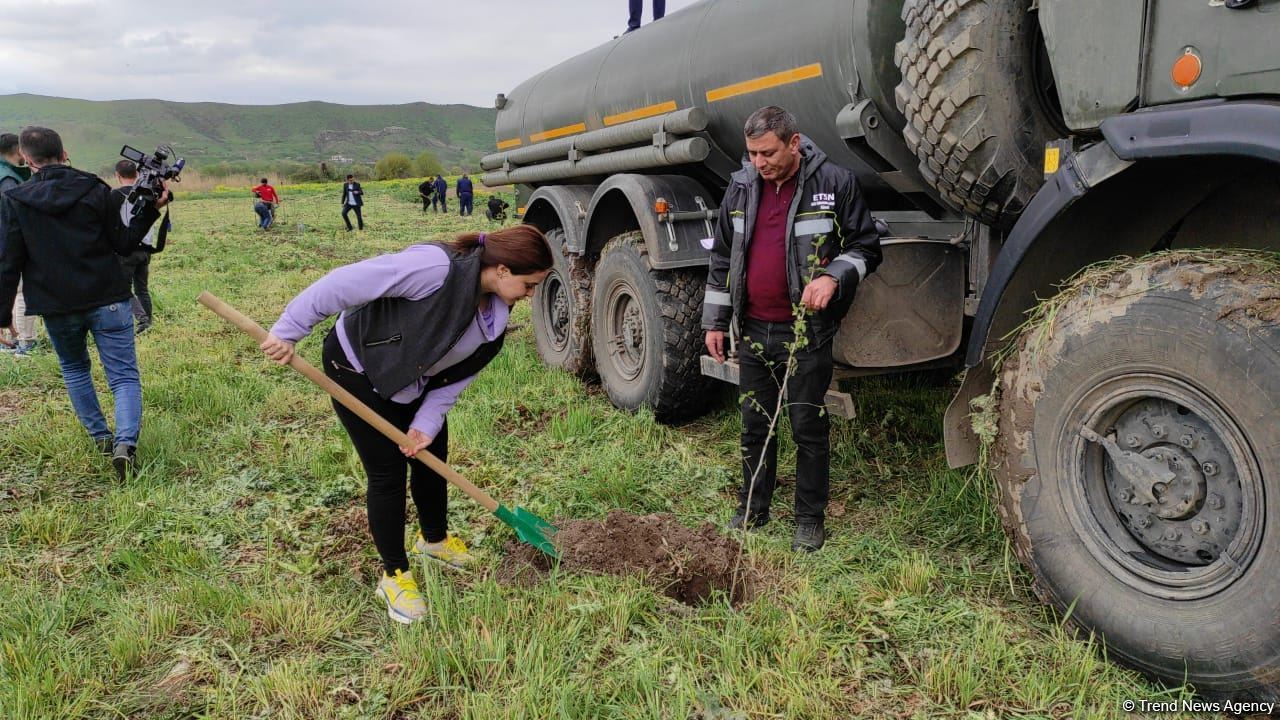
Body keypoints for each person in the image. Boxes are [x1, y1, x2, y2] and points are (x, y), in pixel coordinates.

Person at [260, 225, 553, 624]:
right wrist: (288, 331)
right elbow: (343, 283)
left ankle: (433, 541)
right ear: (502, 269)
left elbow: (453, 381)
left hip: (412, 378)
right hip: (358, 367)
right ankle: (394, 574)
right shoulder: (434, 268)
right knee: (387, 473)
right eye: (529, 284)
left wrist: (426, 424)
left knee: (432, 453)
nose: (531, 295)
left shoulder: (495, 319)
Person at [702, 106, 882, 552]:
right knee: (753, 424)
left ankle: (808, 519)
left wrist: (833, 275)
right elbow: (723, 258)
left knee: (806, 424)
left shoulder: (834, 183)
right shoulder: (742, 187)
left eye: (767, 153)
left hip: (806, 332)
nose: (759, 163)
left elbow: (866, 246)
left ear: (794, 143)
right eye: (752, 154)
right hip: (753, 329)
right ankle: (752, 508)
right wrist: (715, 321)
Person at [0, 126, 168, 478]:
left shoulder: (15, 200)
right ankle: (125, 445)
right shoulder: (95, 188)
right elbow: (123, 243)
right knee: (123, 376)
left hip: (56, 305)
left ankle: (101, 440)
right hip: (107, 297)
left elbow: (8, 261)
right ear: (64, 153)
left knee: (76, 371)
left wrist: (3, 315)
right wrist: (152, 209)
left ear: (27, 160)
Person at [0, 132, 39, 356]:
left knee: (8, 288)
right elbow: (16, 212)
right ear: (18, 151)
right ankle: (26, 342)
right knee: (24, 289)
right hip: (10, 239)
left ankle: (11, 339)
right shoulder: (8, 179)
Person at [113, 160, 156, 334]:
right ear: (137, 174)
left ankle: (142, 319)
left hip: (126, 249)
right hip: (146, 248)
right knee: (142, 288)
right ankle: (148, 321)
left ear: (117, 175)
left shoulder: (114, 196)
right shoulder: (148, 195)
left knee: (122, 287)